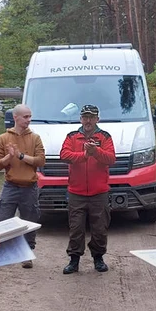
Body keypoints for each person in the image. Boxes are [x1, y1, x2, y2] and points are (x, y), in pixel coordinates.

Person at [59, 104, 116, 274]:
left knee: (100, 229)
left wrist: (96, 151)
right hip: (76, 192)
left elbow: (111, 158)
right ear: (80, 119)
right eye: (85, 117)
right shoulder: (72, 136)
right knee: (76, 228)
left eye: (91, 117)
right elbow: (64, 155)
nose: (88, 120)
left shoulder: (104, 137)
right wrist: (84, 155)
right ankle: (74, 260)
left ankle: (98, 258)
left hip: (99, 192)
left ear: (97, 119)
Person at [0, 104, 45, 269]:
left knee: (29, 220)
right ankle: (6, 250)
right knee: (2, 217)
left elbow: (41, 161)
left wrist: (21, 156)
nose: (28, 120)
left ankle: (27, 253)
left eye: (30, 116)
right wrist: (9, 157)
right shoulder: (3, 138)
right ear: (15, 118)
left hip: (29, 186)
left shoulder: (35, 138)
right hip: (11, 185)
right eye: (25, 117)